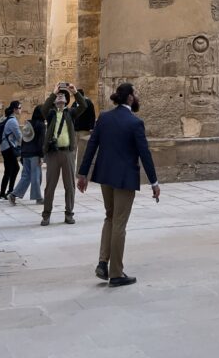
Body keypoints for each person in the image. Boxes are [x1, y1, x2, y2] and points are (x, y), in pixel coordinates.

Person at [78, 82, 160, 288]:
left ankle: (102, 262)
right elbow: (145, 154)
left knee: (110, 217)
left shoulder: (104, 118)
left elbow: (92, 145)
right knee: (119, 223)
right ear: (130, 98)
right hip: (125, 179)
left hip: (105, 176)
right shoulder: (135, 123)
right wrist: (154, 182)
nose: (138, 96)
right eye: (136, 93)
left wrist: (83, 173)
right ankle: (116, 273)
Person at [40, 83, 88, 226]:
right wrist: (53, 94)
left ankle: (69, 214)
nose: (60, 96)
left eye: (62, 96)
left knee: (69, 185)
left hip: (67, 152)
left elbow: (84, 106)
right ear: (55, 100)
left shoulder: (71, 113)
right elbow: (43, 109)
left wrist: (74, 92)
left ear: (67, 101)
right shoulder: (51, 114)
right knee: (50, 186)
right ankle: (46, 215)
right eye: (58, 96)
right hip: (53, 154)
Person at [8, 104, 45, 206]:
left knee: (26, 176)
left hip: (26, 153)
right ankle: (38, 198)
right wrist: (41, 156)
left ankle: (13, 195)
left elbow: (23, 140)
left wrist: (22, 154)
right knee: (36, 176)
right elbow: (41, 142)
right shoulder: (41, 125)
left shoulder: (28, 124)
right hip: (35, 154)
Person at [0, 100, 22, 200]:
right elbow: (19, 136)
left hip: (5, 147)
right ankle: (9, 191)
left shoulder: (8, 118)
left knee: (9, 169)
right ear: (15, 109)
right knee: (13, 168)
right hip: (8, 148)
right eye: (20, 108)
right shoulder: (13, 121)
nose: (21, 110)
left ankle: (4, 192)